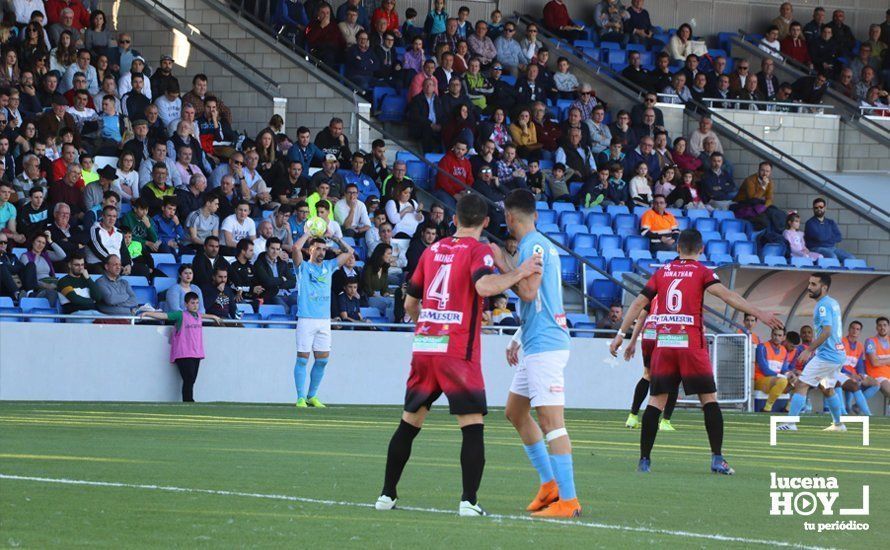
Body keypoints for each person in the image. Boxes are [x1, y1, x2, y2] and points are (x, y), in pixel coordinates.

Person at [375, 193, 543, 516]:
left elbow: (411, 304)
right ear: (485, 223)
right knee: (472, 426)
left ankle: (386, 495)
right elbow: (483, 288)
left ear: (453, 220)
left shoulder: (431, 250)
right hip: (456, 351)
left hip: (426, 346)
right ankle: (468, 500)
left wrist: (427, 325)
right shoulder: (479, 250)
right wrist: (520, 272)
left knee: (409, 423)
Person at [610, 229, 782, 474]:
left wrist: (620, 335)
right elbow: (727, 295)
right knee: (708, 400)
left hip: (665, 343)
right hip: (690, 343)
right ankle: (717, 459)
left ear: (678, 248)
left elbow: (639, 303)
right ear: (701, 250)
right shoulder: (702, 272)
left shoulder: (662, 272)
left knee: (656, 402)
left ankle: (644, 461)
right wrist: (760, 314)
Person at [478, 189, 578, 517]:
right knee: (515, 412)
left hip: (546, 346)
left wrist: (499, 261)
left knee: (552, 421)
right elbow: (542, 300)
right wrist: (519, 337)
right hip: (536, 342)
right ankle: (549, 485)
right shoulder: (532, 245)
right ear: (534, 214)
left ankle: (569, 500)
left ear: (509, 217)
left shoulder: (533, 246)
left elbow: (529, 291)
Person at [776, 274, 848, 432]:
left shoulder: (822, 305)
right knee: (828, 389)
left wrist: (809, 349)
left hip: (827, 356)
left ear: (824, 288)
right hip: (837, 354)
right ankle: (838, 424)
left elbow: (827, 331)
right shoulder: (833, 302)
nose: (809, 287)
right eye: (809, 283)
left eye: (814, 284)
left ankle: (790, 423)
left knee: (801, 384)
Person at [292, 228, 354, 408]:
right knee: (303, 358)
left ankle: (312, 396)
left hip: (324, 320)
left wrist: (334, 237)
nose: (321, 252)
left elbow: (349, 252)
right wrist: (307, 235)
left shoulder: (329, 266)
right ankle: (300, 397)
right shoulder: (303, 267)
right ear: (310, 250)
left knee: (323, 360)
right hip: (306, 318)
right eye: (317, 248)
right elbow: (295, 249)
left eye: (323, 249)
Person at [140, 292, 223, 402]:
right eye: (192, 303)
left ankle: (188, 400)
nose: (195, 305)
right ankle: (189, 400)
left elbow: (203, 315)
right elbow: (165, 315)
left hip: (196, 353)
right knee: (188, 378)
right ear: (186, 304)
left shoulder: (198, 315)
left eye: (197, 303)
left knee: (192, 379)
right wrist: (148, 313)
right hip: (183, 352)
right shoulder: (180, 315)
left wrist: (212, 316)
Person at [621, 295, 680, 430]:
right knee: (674, 377)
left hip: (649, 333)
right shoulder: (678, 293)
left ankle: (633, 417)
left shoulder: (654, 295)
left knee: (647, 375)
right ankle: (665, 421)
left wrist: (633, 341)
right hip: (666, 334)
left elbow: (642, 317)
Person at [753, 327, 796, 412]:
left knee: (799, 381)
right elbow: (765, 371)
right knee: (783, 381)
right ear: (771, 334)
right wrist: (784, 377)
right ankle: (767, 408)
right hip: (760, 379)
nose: (776, 337)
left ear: (784, 337)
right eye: (775, 334)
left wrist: (789, 374)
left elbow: (784, 369)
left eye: (779, 335)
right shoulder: (762, 347)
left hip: (777, 381)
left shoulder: (784, 350)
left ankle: (788, 408)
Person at [837, 321, 874, 416]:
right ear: (849, 329)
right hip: (840, 371)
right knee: (853, 383)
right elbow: (838, 362)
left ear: (860, 332)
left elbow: (860, 363)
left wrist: (861, 373)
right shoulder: (840, 342)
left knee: (875, 384)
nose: (854, 331)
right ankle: (847, 410)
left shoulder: (860, 346)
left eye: (857, 329)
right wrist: (851, 375)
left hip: (853, 373)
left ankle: (855, 407)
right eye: (853, 328)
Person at [804, 197, 853, 262]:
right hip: (816, 248)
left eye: (821, 207)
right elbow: (820, 237)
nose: (819, 209)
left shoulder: (831, 222)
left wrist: (826, 237)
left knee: (851, 258)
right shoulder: (810, 223)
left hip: (832, 248)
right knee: (832, 256)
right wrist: (830, 236)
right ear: (813, 209)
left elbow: (839, 237)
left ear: (825, 208)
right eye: (816, 207)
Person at [863, 317, 890, 399]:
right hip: (877, 375)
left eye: (885, 325)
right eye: (880, 325)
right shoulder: (870, 341)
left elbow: (878, 361)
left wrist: (880, 361)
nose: (882, 328)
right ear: (876, 328)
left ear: (888, 327)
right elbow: (874, 362)